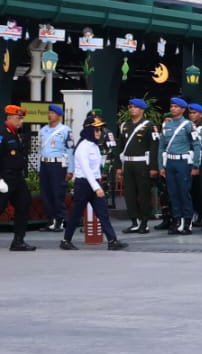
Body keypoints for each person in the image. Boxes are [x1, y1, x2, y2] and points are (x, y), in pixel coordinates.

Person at [59, 114, 128, 252]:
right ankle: (66, 240)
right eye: (96, 130)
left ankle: (112, 240)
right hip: (84, 184)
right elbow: (86, 170)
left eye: (100, 130)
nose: (99, 132)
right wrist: (97, 187)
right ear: (88, 130)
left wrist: (99, 180)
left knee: (103, 213)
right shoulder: (82, 147)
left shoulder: (94, 146)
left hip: (94, 183)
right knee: (76, 214)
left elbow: (95, 167)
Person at [120, 98, 158, 234]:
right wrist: (119, 166)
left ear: (142, 109)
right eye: (130, 107)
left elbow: (154, 147)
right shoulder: (125, 125)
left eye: (135, 107)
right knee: (129, 193)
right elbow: (121, 147)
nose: (132, 109)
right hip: (128, 163)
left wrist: (153, 167)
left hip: (142, 163)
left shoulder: (149, 125)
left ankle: (144, 222)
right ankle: (134, 221)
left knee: (143, 193)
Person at [2, 104, 34, 252]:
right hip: (5, 177)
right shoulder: (3, 134)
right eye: (18, 118)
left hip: (17, 177)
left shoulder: (15, 134)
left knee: (24, 203)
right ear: (9, 117)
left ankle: (18, 241)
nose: (21, 121)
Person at [36, 103, 71, 232]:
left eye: (53, 113)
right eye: (49, 113)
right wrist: (39, 167)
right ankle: (50, 220)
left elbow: (70, 150)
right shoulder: (43, 130)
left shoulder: (65, 130)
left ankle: (60, 220)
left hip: (57, 164)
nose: (50, 115)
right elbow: (40, 149)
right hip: (45, 163)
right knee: (45, 193)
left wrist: (70, 169)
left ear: (59, 116)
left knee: (57, 192)